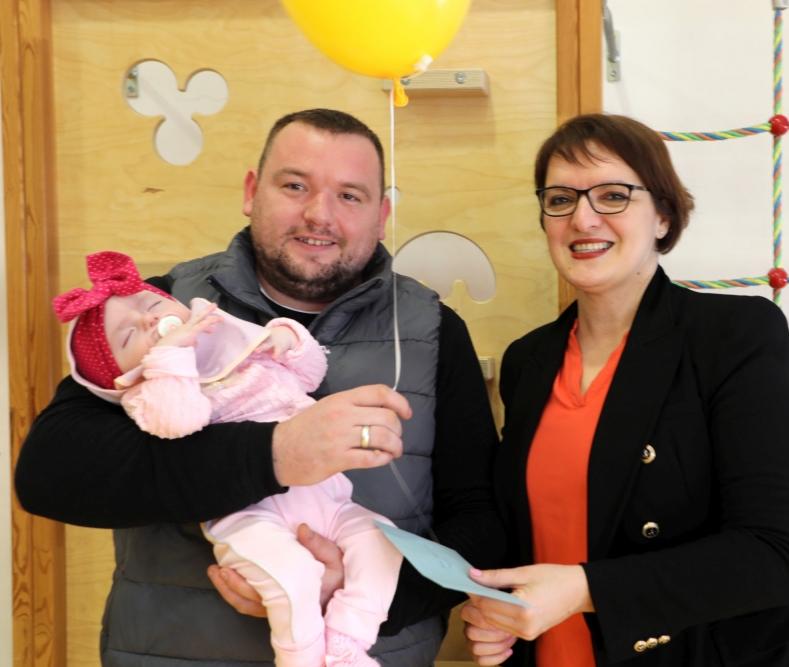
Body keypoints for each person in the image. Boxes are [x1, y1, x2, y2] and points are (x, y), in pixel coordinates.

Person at [15, 109, 504, 667]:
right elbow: (50, 476)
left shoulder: (432, 330)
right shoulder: (157, 311)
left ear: (381, 216)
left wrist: (361, 600)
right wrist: (275, 454)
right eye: (295, 186)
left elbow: (481, 523)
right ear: (251, 192)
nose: (319, 214)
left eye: (350, 196)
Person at [461, 114, 789, 667]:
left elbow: (772, 557)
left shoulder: (733, 335)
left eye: (613, 196)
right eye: (560, 199)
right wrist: (498, 614)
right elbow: (534, 538)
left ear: (663, 215)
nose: (582, 218)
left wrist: (583, 591)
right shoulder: (528, 361)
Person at [51, 250, 403, 667]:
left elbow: (309, 374)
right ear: (120, 378)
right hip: (251, 517)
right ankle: (302, 658)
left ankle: (347, 641)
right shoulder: (148, 394)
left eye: (151, 304)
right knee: (292, 578)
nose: (149, 319)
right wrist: (171, 356)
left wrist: (286, 339)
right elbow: (179, 422)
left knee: (382, 540)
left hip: (328, 501)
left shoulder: (236, 348)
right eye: (129, 336)